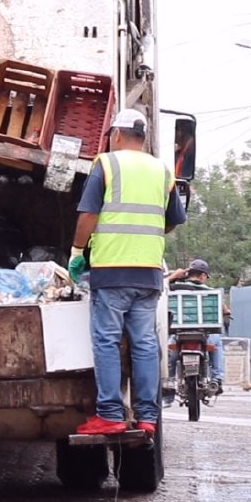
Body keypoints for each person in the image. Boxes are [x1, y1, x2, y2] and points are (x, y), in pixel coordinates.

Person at [68, 108, 187, 436]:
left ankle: (110, 413)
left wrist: (77, 252)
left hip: (111, 270)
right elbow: (175, 218)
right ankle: (147, 416)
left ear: (116, 135)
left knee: (106, 339)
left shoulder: (107, 164)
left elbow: (88, 215)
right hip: (148, 273)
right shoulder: (163, 171)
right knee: (145, 342)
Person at [166, 259, 229, 391]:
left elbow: (162, 287)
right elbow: (224, 310)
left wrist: (173, 277)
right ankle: (217, 378)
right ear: (203, 275)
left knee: (170, 349)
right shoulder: (211, 292)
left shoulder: (173, 288)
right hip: (204, 333)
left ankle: (169, 379)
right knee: (216, 343)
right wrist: (227, 312)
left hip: (179, 332)